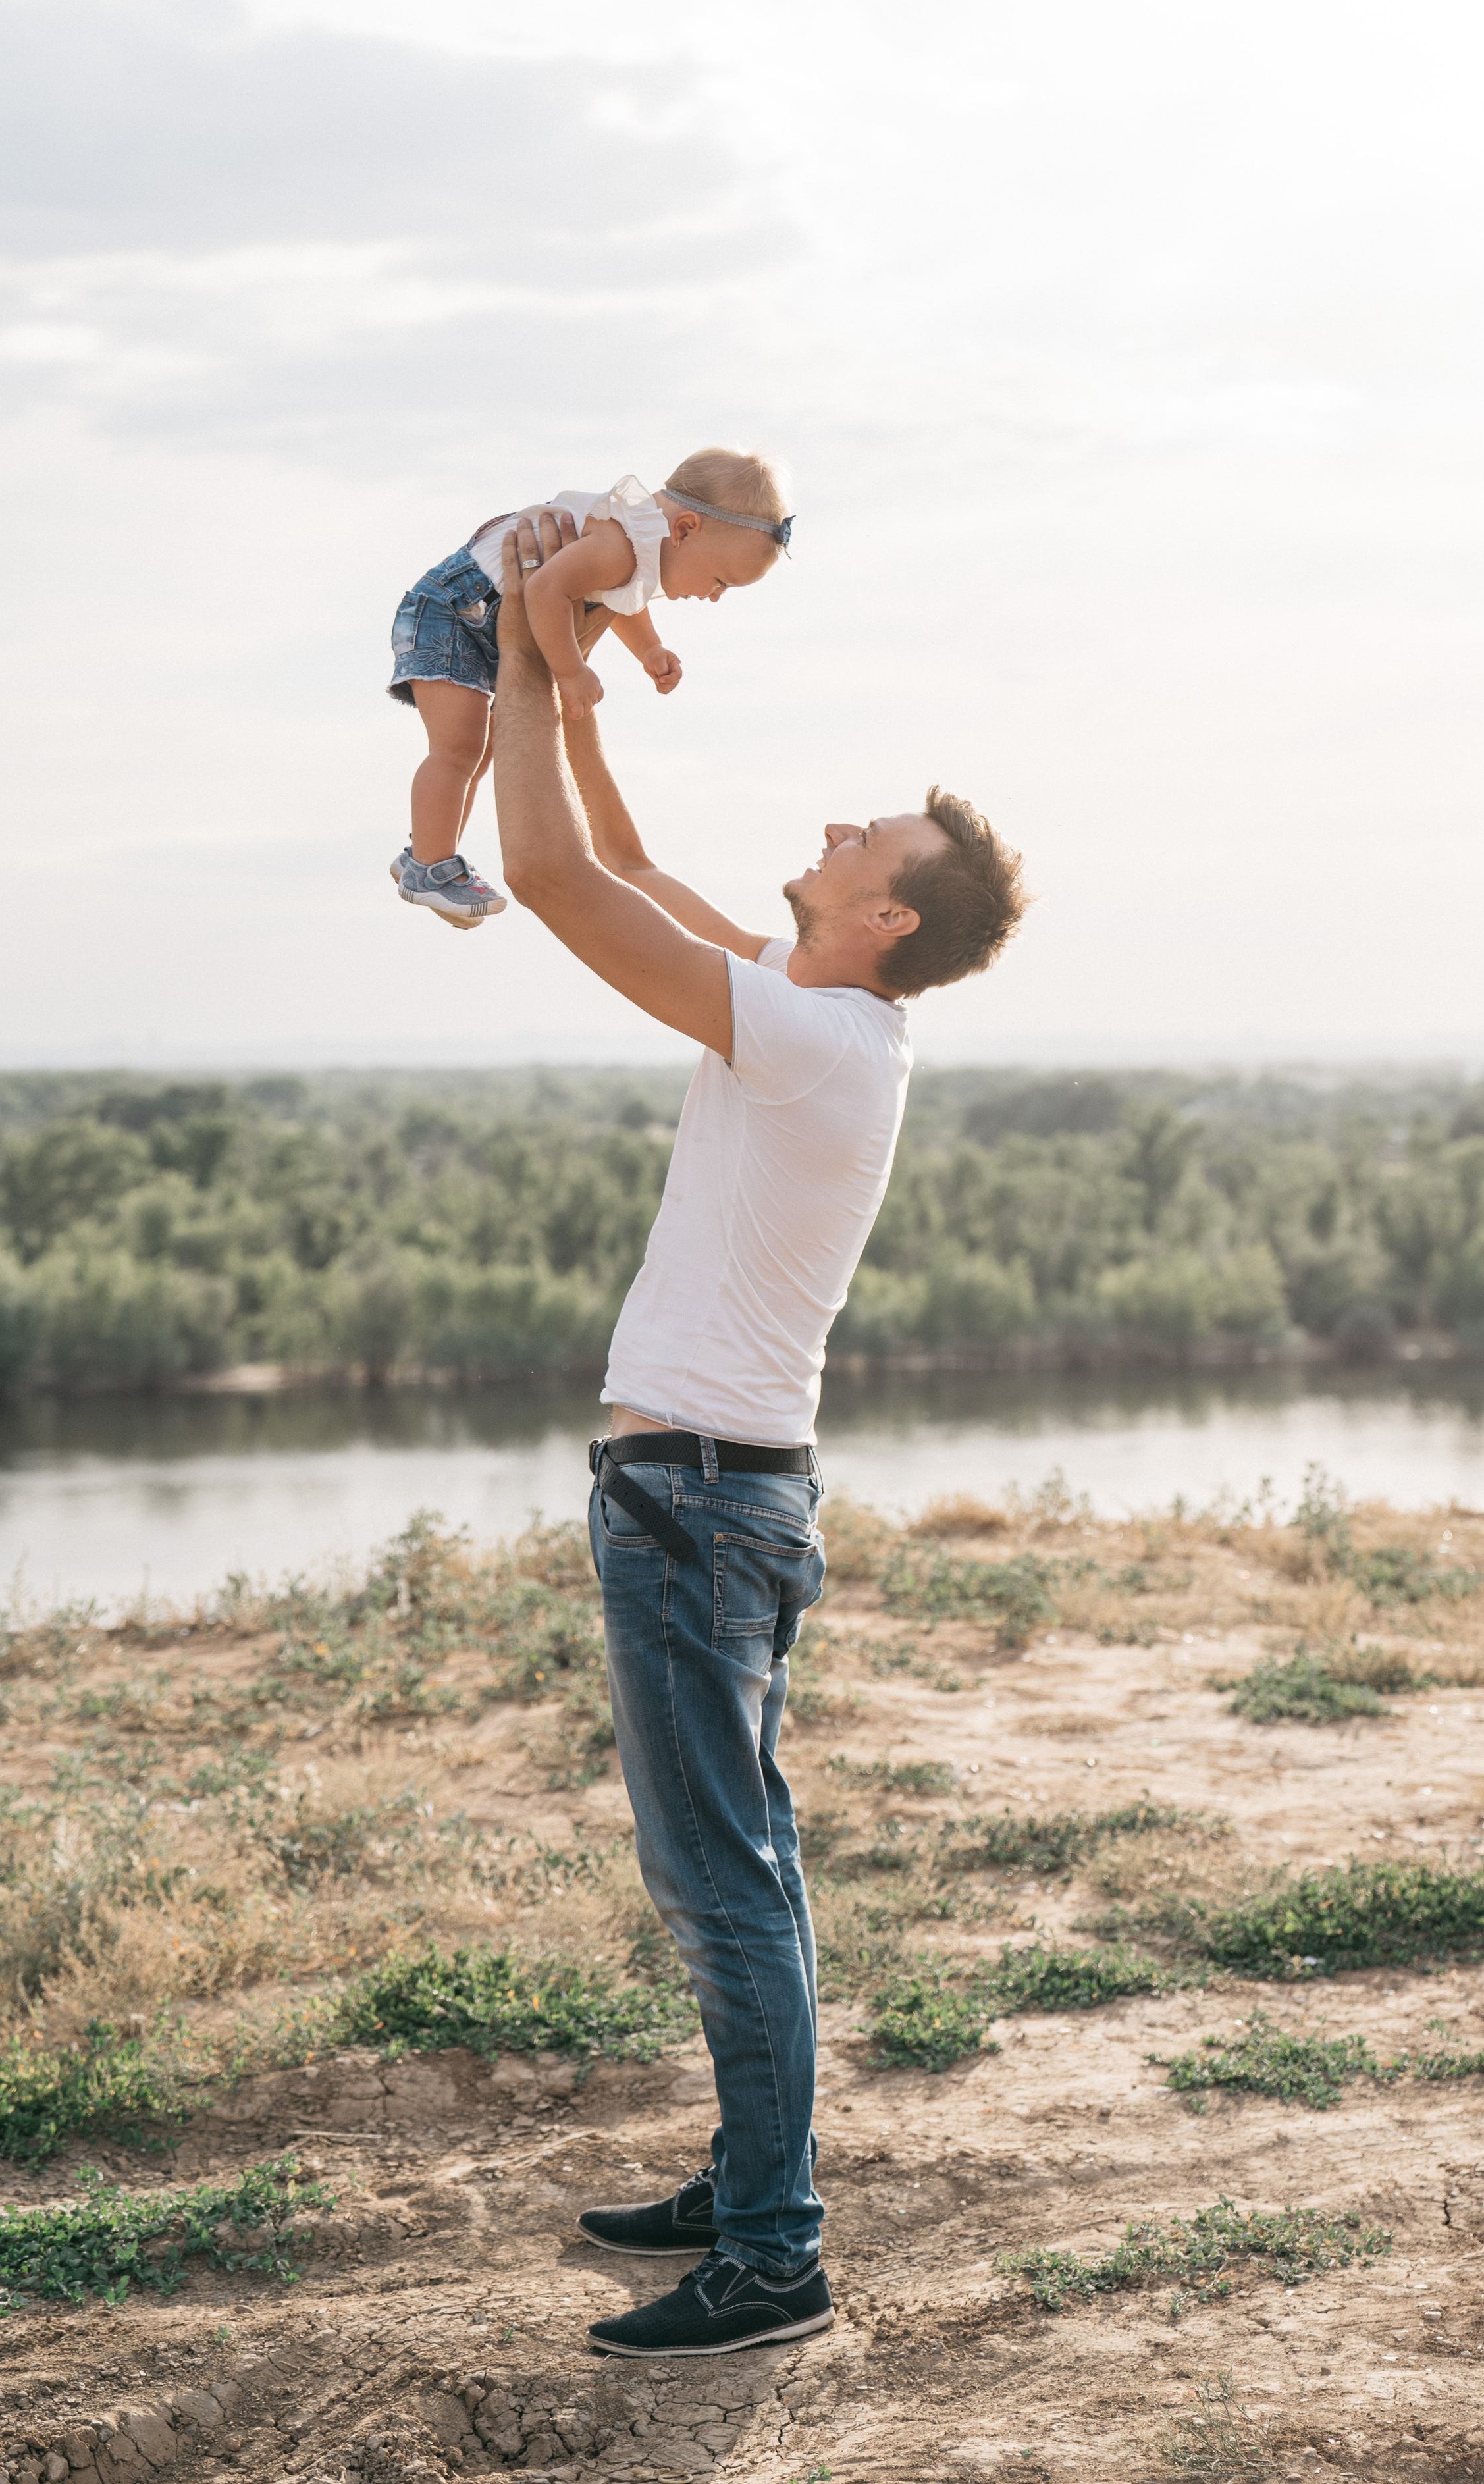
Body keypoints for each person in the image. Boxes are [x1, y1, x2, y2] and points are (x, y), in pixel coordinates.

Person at [487, 510, 1030, 2359]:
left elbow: (559, 886)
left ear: (886, 917)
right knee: (747, 1860)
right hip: (721, 1496)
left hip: (696, 1503)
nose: (824, 831)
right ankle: (748, 2182)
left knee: (725, 1877)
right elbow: (623, 852)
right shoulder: (819, 1017)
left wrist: (504, 644)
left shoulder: (808, 1039)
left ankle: (778, 2249)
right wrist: (569, 679)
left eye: (859, 840)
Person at [383, 448, 791, 929]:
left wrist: (650, 649)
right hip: (454, 612)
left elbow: (621, 595)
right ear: (685, 529)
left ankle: (429, 852)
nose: (715, 596)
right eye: (721, 580)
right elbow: (545, 590)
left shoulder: (634, 548)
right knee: (458, 750)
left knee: (476, 752)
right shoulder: (619, 544)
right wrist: (571, 671)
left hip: (476, 623)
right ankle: (429, 865)